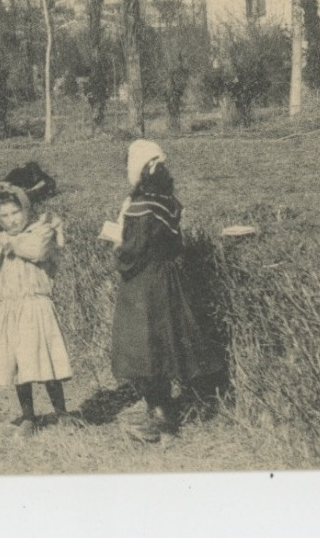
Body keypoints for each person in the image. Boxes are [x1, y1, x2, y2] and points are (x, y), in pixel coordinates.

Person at [109, 140, 224, 443]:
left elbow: (131, 251)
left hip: (143, 284)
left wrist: (116, 247)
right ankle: (163, 415)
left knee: (143, 351)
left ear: (139, 170)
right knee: (164, 346)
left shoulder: (140, 207)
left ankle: (161, 418)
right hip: (169, 279)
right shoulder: (168, 200)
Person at [0, 185, 76, 437]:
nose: (11, 220)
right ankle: (29, 415)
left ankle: (61, 411)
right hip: (9, 306)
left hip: (35, 306)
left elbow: (36, 251)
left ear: (26, 210)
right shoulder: (2, 239)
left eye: (15, 213)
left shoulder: (38, 233)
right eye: (4, 216)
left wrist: (5, 241)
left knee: (45, 359)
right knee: (19, 363)